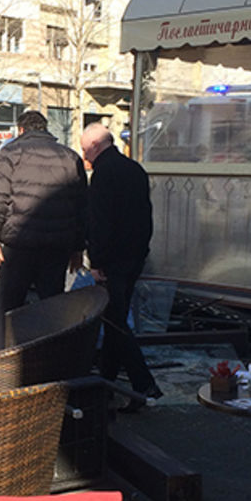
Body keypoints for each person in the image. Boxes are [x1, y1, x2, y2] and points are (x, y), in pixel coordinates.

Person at [0, 110, 87, 348]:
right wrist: (78, 248)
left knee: (9, 305)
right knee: (52, 305)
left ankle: (5, 356)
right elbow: (81, 207)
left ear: (21, 130)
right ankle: (51, 360)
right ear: (45, 128)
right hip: (57, 246)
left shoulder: (10, 153)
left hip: (19, 243)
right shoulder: (70, 157)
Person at [81, 122, 162, 411]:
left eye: (84, 149)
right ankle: (107, 383)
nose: (84, 157)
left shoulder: (103, 175)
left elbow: (100, 222)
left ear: (95, 146)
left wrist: (97, 261)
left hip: (112, 261)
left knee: (115, 323)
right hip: (134, 257)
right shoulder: (134, 169)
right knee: (115, 318)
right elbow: (145, 217)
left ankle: (145, 384)